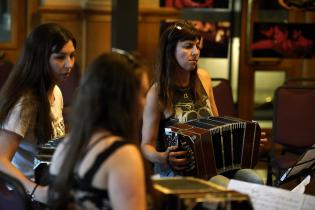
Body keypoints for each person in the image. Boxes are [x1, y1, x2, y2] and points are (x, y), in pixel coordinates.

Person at [141, 20, 263, 187]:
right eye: (188, 46)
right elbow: (146, 146)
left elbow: (218, 125)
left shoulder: (204, 78)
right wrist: (163, 157)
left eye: (198, 46)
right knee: (222, 185)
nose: (195, 52)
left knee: (255, 181)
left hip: (215, 163)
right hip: (179, 170)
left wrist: (249, 141)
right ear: (170, 51)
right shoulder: (157, 93)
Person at [48, 51, 148, 210]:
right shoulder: (122, 155)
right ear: (124, 98)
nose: (146, 102)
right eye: (143, 94)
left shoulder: (65, 146)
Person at [0, 23, 76, 203]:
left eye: (72, 56)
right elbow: (1, 160)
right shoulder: (25, 104)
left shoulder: (56, 91)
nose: (69, 64)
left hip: (47, 188)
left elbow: (52, 148)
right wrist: (37, 191)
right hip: (22, 196)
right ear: (40, 59)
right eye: (60, 57)